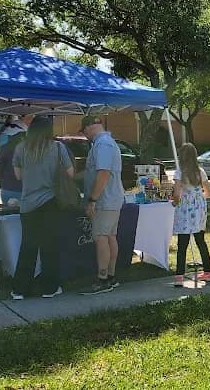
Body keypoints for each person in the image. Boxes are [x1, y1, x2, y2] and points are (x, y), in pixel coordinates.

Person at [11, 116, 73, 300]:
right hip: (50, 201)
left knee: (28, 246)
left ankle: (19, 290)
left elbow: (18, 175)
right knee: (49, 246)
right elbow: (70, 173)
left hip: (28, 204)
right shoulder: (57, 147)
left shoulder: (21, 148)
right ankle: (50, 288)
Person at [79, 115, 125, 295]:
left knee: (101, 238)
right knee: (110, 236)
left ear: (89, 128)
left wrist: (92, 199)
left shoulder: (102, 144)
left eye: (84, 133)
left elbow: (103, 173)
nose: (85, 137)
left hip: (104, 200)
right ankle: (111, 277)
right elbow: (94, 171)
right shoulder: (106, 142)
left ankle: (103, 279)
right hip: (111, 199)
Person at [172, 143, 210, 287]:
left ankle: (179, 275)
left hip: (185, 209)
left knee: (182, 243)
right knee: (200, 240)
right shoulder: (200, 171)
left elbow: (177, 193)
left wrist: (175, 202)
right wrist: (198, 197)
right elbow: (209, 192)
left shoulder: (180, 172)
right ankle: (208, 272)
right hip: (199, 208)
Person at [0, 120, 26, 205]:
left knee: (8, 216)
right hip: (23, 191)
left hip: (7, 189)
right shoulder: (28, 149)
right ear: (20, 135)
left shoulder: (3, 149)